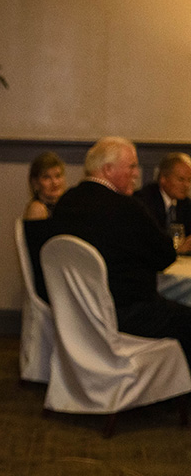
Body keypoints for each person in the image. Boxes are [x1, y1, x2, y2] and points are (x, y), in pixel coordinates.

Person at [48, 137, 191, 365]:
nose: (136, 173)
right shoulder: (126, 208)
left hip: (77, 314)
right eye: (132, 166)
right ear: (107, 170)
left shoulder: (66, 202)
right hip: (126, 312)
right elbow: (166, 254)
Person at [133, 152, 191, 254]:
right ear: (163, 179)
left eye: (189, 180)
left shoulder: (186, 204)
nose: (186, 185)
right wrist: (176, 250)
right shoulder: (144, 201)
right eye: (181, 179)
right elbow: (148, 241)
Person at [24, 151, 66, 220]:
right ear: (35, 182)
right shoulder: (37, 209)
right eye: (47, 177)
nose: (54, 182)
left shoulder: (64, 207)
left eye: (58, 176)